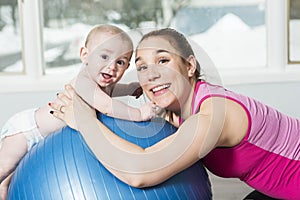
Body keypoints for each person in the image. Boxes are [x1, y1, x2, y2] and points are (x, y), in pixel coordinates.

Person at [50, 28, 300, 200]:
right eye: (142, 67)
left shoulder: (216, 115)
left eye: (163, 61)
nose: (151, 74)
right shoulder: (178, 111)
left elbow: (141, 173)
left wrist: (82, 120)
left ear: (189, 66)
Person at [0, 24, 156, 199]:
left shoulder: (103, 84)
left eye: (120, 62)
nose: (112, 67)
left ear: (127, 66)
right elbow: (106, 106)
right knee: (5, 167)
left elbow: (113, 90)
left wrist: (130, 88)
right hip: (29, 130)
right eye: (104, 56)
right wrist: (139, 113)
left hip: (45, 140)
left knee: (11, 177)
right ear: (85, 55)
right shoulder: (84, 82)